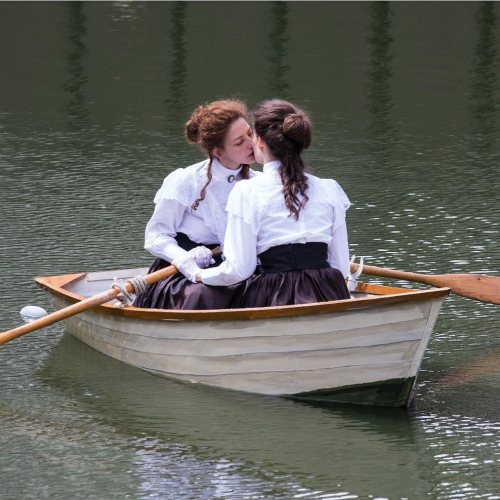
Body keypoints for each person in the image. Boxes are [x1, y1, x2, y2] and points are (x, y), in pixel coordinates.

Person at [176, 99, 351, 307]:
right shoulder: (329, 187)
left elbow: (239, 270)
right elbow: (341, 266)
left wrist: (199, 275)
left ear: (260, 142)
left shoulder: (247, 191)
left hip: (276, 295)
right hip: (330, 291)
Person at [134, 99, 256, 310]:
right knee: (206, 295)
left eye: (250, 134)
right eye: (239, 142)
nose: (251, 143)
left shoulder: (257, 182)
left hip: (238, 267)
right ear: (218, 152)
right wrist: (185, 259)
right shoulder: (185, 180)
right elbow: (155, 236)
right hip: (185, 273)